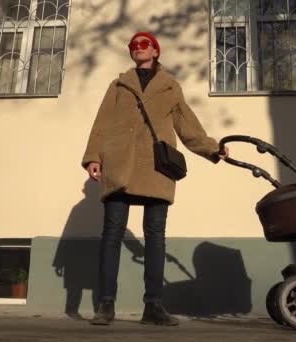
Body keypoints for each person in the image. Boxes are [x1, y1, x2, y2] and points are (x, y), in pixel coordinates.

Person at [81, 31, 229, 326]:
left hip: (155, 166)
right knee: (111, 235)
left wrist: (213, 148)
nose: (138, 48)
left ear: (156, 51)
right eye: (134, 45)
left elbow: (188, 126)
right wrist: (94, 156)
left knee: (155, 236)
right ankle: (106, 305)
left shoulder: (170, 86)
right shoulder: (119, 84)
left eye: (144, 44)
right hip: (120, 163)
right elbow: (102, 122)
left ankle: (154, 307)